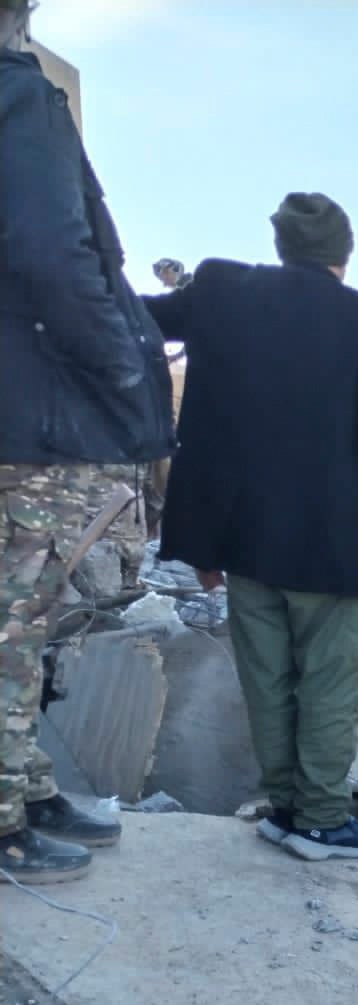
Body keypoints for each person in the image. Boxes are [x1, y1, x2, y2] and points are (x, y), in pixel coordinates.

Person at [143, 192, 358, 862]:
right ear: (344, 252)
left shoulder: (223, 290)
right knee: (329, 687)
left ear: (282, 245)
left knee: (268, 681)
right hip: (334, 546)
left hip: (244, 541)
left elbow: (132, 320)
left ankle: (284, 807)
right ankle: (318, 819)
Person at [1, 0, 175, 884]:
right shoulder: (16, 96)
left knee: (25, 622)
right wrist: (117, 365)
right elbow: (51, 249)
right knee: (18, 620)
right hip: (35, 422)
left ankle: (24, 787)